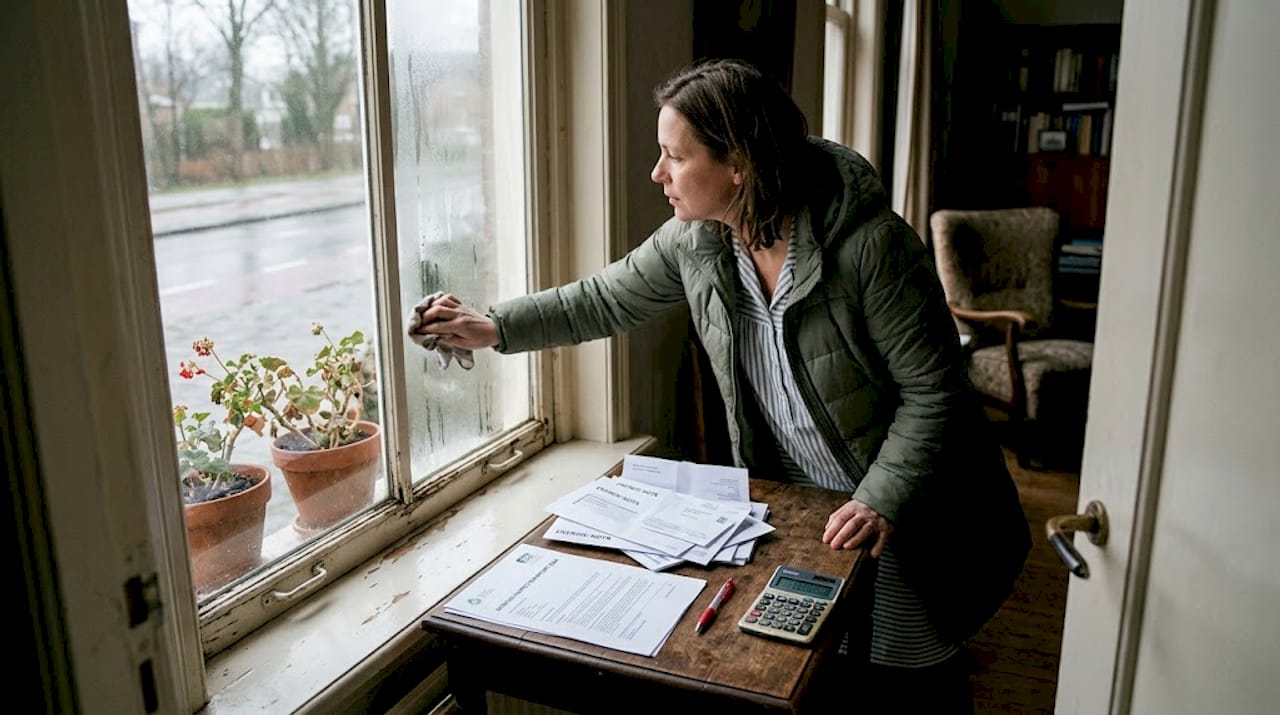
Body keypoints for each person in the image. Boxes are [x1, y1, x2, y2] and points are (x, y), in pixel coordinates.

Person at [409, 58, 1031, 712]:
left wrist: (879, 499)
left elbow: (937, 394)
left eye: (674, 156)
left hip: (904, 514)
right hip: (807, 519)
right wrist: (492, 325)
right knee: (823, 681)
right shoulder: (698, 240)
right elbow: (598, 300)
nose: (658, 174)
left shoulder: (871, 247)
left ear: (737, 163)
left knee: (908, 686)